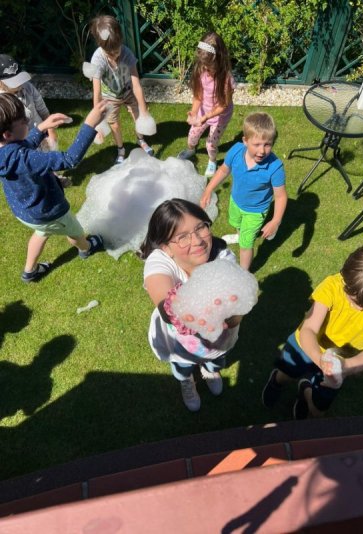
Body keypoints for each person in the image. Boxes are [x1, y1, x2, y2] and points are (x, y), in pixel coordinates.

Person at [261, 245, 363, 419]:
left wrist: (344, 367)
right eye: (354, 300)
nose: (358, 308)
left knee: (319, 409)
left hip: (342, 359)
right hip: (304, 346)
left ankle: (305, 390)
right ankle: (276, 381)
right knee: (287, 373)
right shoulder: (332, 286)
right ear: (344, 278)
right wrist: (319, 359)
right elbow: (309, 329)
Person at [141, 198, 242, 412]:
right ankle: (187, 382)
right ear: (166, 247)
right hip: (177, 344)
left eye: (200, 228)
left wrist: (233, 316)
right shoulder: (160, 261)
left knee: (215, 361)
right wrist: (186, 313)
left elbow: (235, 314)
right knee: (183, 367)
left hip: (218, 343)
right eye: (182, 237)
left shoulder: (224, 258)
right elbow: (166, 305)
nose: (197, 241)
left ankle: (210, 370)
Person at [0, 93, 106, 282]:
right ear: (7, 134)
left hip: (26, 212)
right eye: (23, 120)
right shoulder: (22, 158)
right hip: (49, 211)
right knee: (74, 231)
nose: (27, 120)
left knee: (42, 231)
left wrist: (41, 128)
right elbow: (69, 159)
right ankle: (86, 248)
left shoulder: (6, 151)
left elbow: (20, 147)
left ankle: (30, 271)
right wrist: (90, 125)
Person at [200, 112, 287, 270]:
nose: (262, 151)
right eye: (257, 144)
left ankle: (243, 273)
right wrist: (208, 189)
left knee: (246, 245)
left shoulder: (275, 167)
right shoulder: (235, 151)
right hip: (236, 201)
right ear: (245, 141)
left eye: (267, 144)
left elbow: (280, 196)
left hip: (255, 211)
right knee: (237, 224)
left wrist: (275, 221)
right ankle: (239, 235)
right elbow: (223, 170)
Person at [89, 15, 153, 164]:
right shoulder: (97, 60)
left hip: (128, 91)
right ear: (101, 46)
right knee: (114, 124)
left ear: (120, 40)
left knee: (138, 116)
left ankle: (140, 140)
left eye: (117, 50)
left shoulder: (127, 53)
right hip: (109, 97)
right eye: (110, 53)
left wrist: (143, 110)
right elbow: (96, 93)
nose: (115, 55)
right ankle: (120, 148)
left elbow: (136, 84)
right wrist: (97, 122)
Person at [0, 54, 71, 187]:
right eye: (14, 82)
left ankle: (55, 179)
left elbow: (42, 109)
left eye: (19, 79)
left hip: (40, 133)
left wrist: (51, 131)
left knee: (46, 158)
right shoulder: (2, 103)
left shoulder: (28, 87)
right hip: (18, 143)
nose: (19, 85)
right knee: (30, 170)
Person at [177, 31, 235, 178]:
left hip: (220, 116)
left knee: (211, 144)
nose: (206, 68)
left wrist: (206, 117)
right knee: (192, 136)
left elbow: (223, 105)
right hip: (203, 112)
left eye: (209, 66)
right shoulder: (201, 70)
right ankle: (191, 150)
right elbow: (198, 96)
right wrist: (194, 112)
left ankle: (212, 161)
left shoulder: (226, 79)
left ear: (219, 59)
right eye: (203, 64)